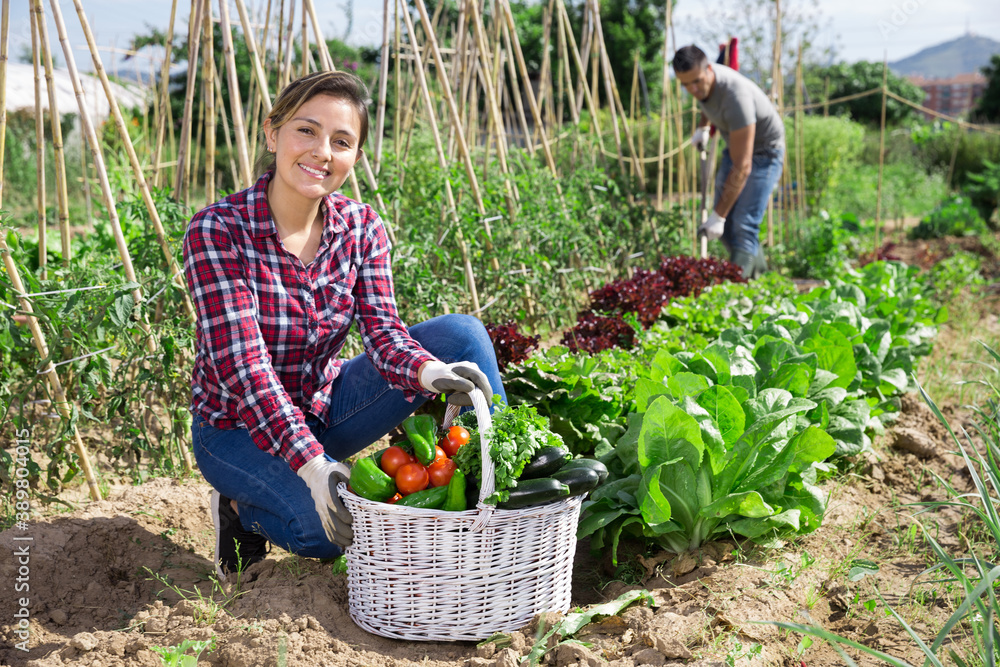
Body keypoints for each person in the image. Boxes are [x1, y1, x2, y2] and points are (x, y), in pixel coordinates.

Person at [182, 71, 506, 581]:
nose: (322, 153)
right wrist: (314, 468)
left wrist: (427, 374)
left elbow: (383, 332)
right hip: (236, 430)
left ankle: (502, 492)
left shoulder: (360, 227)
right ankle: (242, 512)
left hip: (322, 406)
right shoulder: (219, 231)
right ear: (273, 133)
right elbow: (246, 371)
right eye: (306, 131)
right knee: (328, 530)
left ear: (355, 155)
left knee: (461, 337)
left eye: (341, 141)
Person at [672, 45, 785, 278]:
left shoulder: (736, 97)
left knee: (743, 223)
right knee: (725, 229)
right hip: (736, 145)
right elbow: (706, 99)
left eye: (697, 81)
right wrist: (703, 127)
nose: (692, 89)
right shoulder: (702, 86)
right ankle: (760, 277)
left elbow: (743, 167)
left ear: (710, 70)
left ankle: (735, 292)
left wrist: (718, 216)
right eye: (685, 85)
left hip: (764, 152)